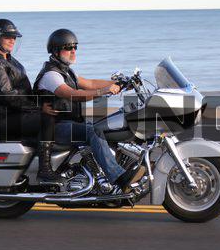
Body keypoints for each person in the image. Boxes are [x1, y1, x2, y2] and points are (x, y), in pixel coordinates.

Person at [33, 29, 144, 190]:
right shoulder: (51, 75)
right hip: (56, 127)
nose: (73, 51)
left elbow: (90, 83)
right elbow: (73, 94)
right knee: (94, 131)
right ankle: (118, 177)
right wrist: (103, 91)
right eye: (68, 47)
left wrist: (122, 84)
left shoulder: (66, 71)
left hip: (70, 122)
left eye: (75, 47)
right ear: (56, 51)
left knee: (106, 125)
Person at [0, 19, 62, 183]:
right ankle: (45, 170)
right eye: (7, 37)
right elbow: (7, 95)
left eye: (14, 37)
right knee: (47, 117)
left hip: (16, 114)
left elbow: (23, 90)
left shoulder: (8, 59)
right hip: (4, 120)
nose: (12, 40)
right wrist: (39, 107)